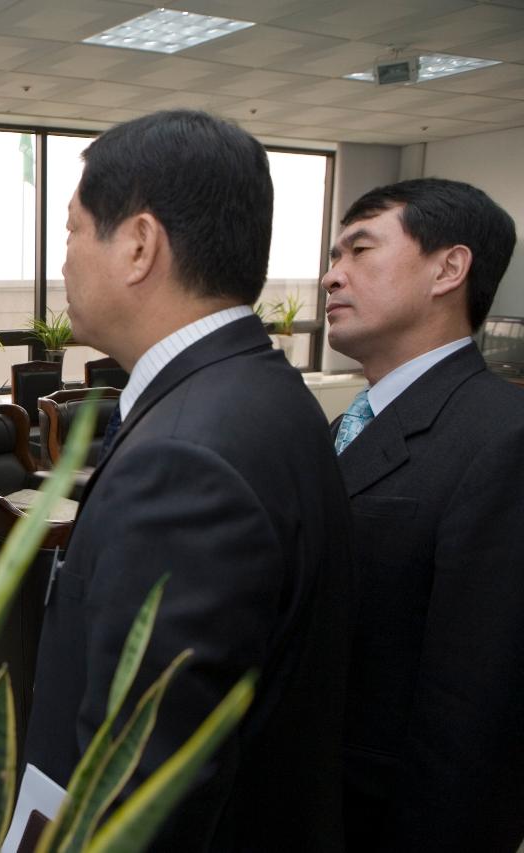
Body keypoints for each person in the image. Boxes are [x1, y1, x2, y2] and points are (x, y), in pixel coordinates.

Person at [24, 111, 352, 851]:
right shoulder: (260, 388)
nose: (65, 260)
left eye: (72, 231)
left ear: (139, 244)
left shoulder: (186, 458)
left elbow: (142, 794)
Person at [322, 178, 524, 852]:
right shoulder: (350, 421)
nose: (331, 275)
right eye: (333, 255)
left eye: (359, 249)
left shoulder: (502, 436)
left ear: (449, 267)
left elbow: (473, 709)